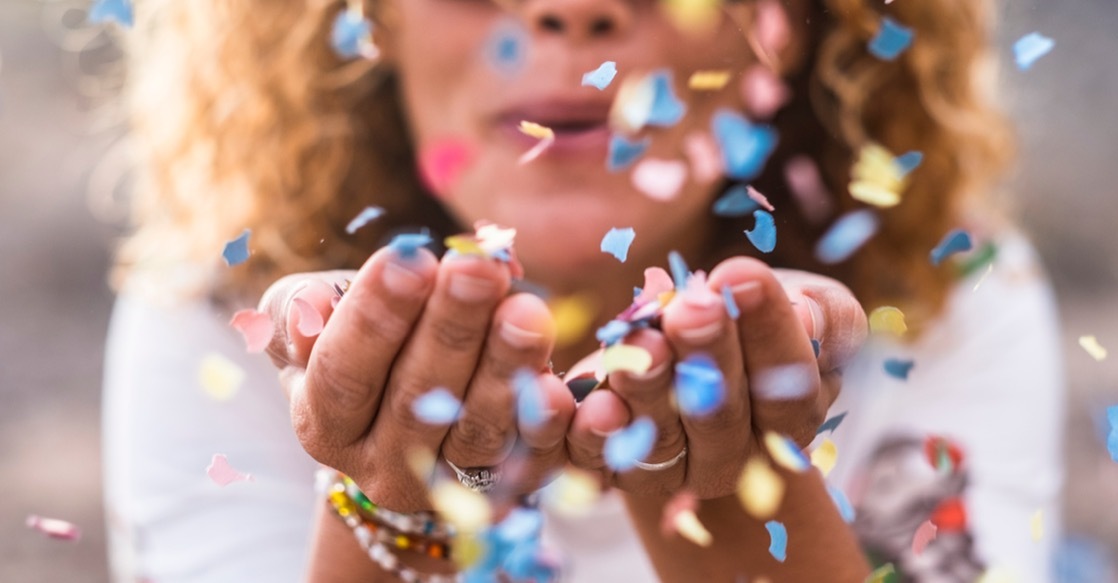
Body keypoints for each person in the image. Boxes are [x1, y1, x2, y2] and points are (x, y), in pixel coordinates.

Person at [102, 0, 1064, 581]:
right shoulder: (215, 315)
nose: (568, 7)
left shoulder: (941, 293)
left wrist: (727, 490)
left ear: (797, 17)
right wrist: (396, 514)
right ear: (364, 14)